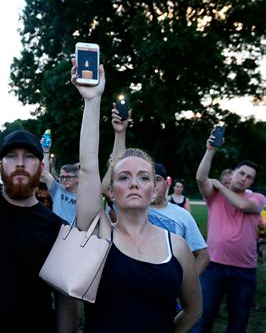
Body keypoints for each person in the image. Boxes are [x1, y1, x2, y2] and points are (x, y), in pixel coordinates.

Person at [0, 36, 78, 332]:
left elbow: (65, 299)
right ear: (0, 166)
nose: (20, 163)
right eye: (11, 156)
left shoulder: (57, 227)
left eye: (29, 157)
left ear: (42, 166)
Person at [73, 60, 202, 332]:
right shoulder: (99, 232)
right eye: (123, 177)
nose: (134, 183)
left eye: (144, 177)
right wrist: (92, 100)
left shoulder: (177, 246)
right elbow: (87, 167)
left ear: (155, 189)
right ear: (111, 191)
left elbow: (193, 310)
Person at [107, 105, 210, 276]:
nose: (135, 184)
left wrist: (183, 284)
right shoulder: (126, 209)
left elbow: (203, 255)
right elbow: (115, 173)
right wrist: (120, 134)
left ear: (160, 186)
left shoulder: (180, 224)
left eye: (145, 178)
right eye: (127, 178)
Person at [193, 130, 265, 333]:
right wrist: (210, 150)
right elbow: (200, 178)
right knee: (203, 317)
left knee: (238, 321)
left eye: (249, 178)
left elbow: (243, 206)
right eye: (241, 173)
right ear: (233, 173)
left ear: (251, 182)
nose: (244, 179)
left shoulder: (256, 198)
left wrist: (221, 186)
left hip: (244, 271)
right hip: (214, 266)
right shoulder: (213, 196)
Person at [41, 137, 79, 222]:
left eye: (68, 177)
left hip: (73, 234)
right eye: (62, 177)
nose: (64, 179)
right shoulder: (57, 189)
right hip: (54, 232)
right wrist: (45, 150)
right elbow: (45, 173)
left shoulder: (83, 197)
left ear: (77, 179)